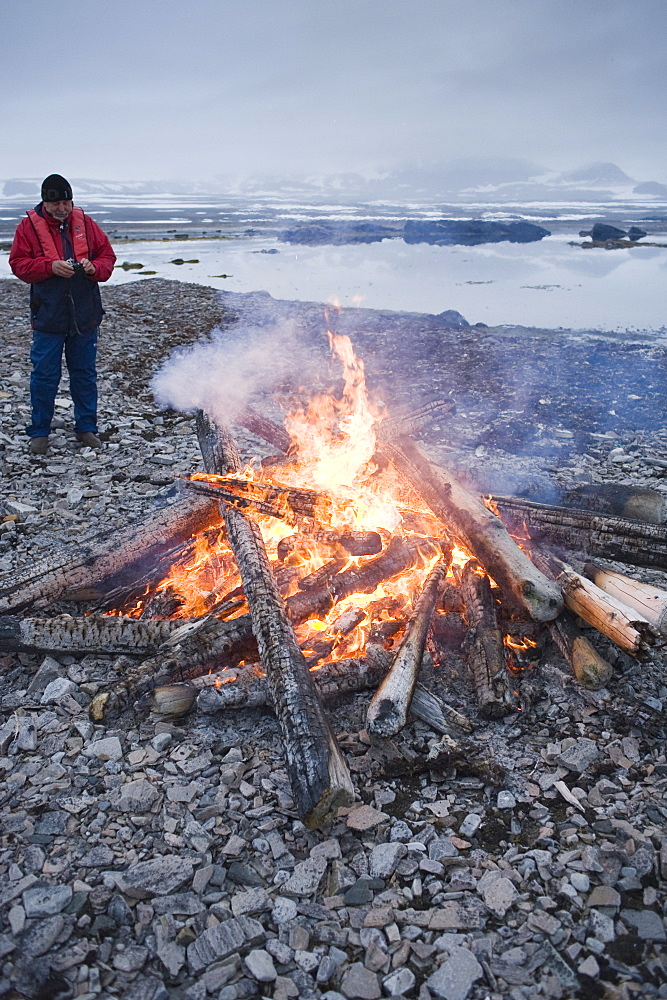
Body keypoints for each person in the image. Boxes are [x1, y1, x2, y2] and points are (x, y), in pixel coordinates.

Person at [9, 173, 117, 454]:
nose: (63, 209)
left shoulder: (86, 224)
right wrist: (50, 267)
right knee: (44, 375)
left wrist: (95, 268)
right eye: (57, 204)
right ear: (46, 202)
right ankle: (40, 432)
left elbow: (107, 257)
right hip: (49, 316)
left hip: (85, 314)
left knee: (84, 374)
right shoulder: (27, 228)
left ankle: (86, 428)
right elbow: (19, 264)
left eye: (67, 202)